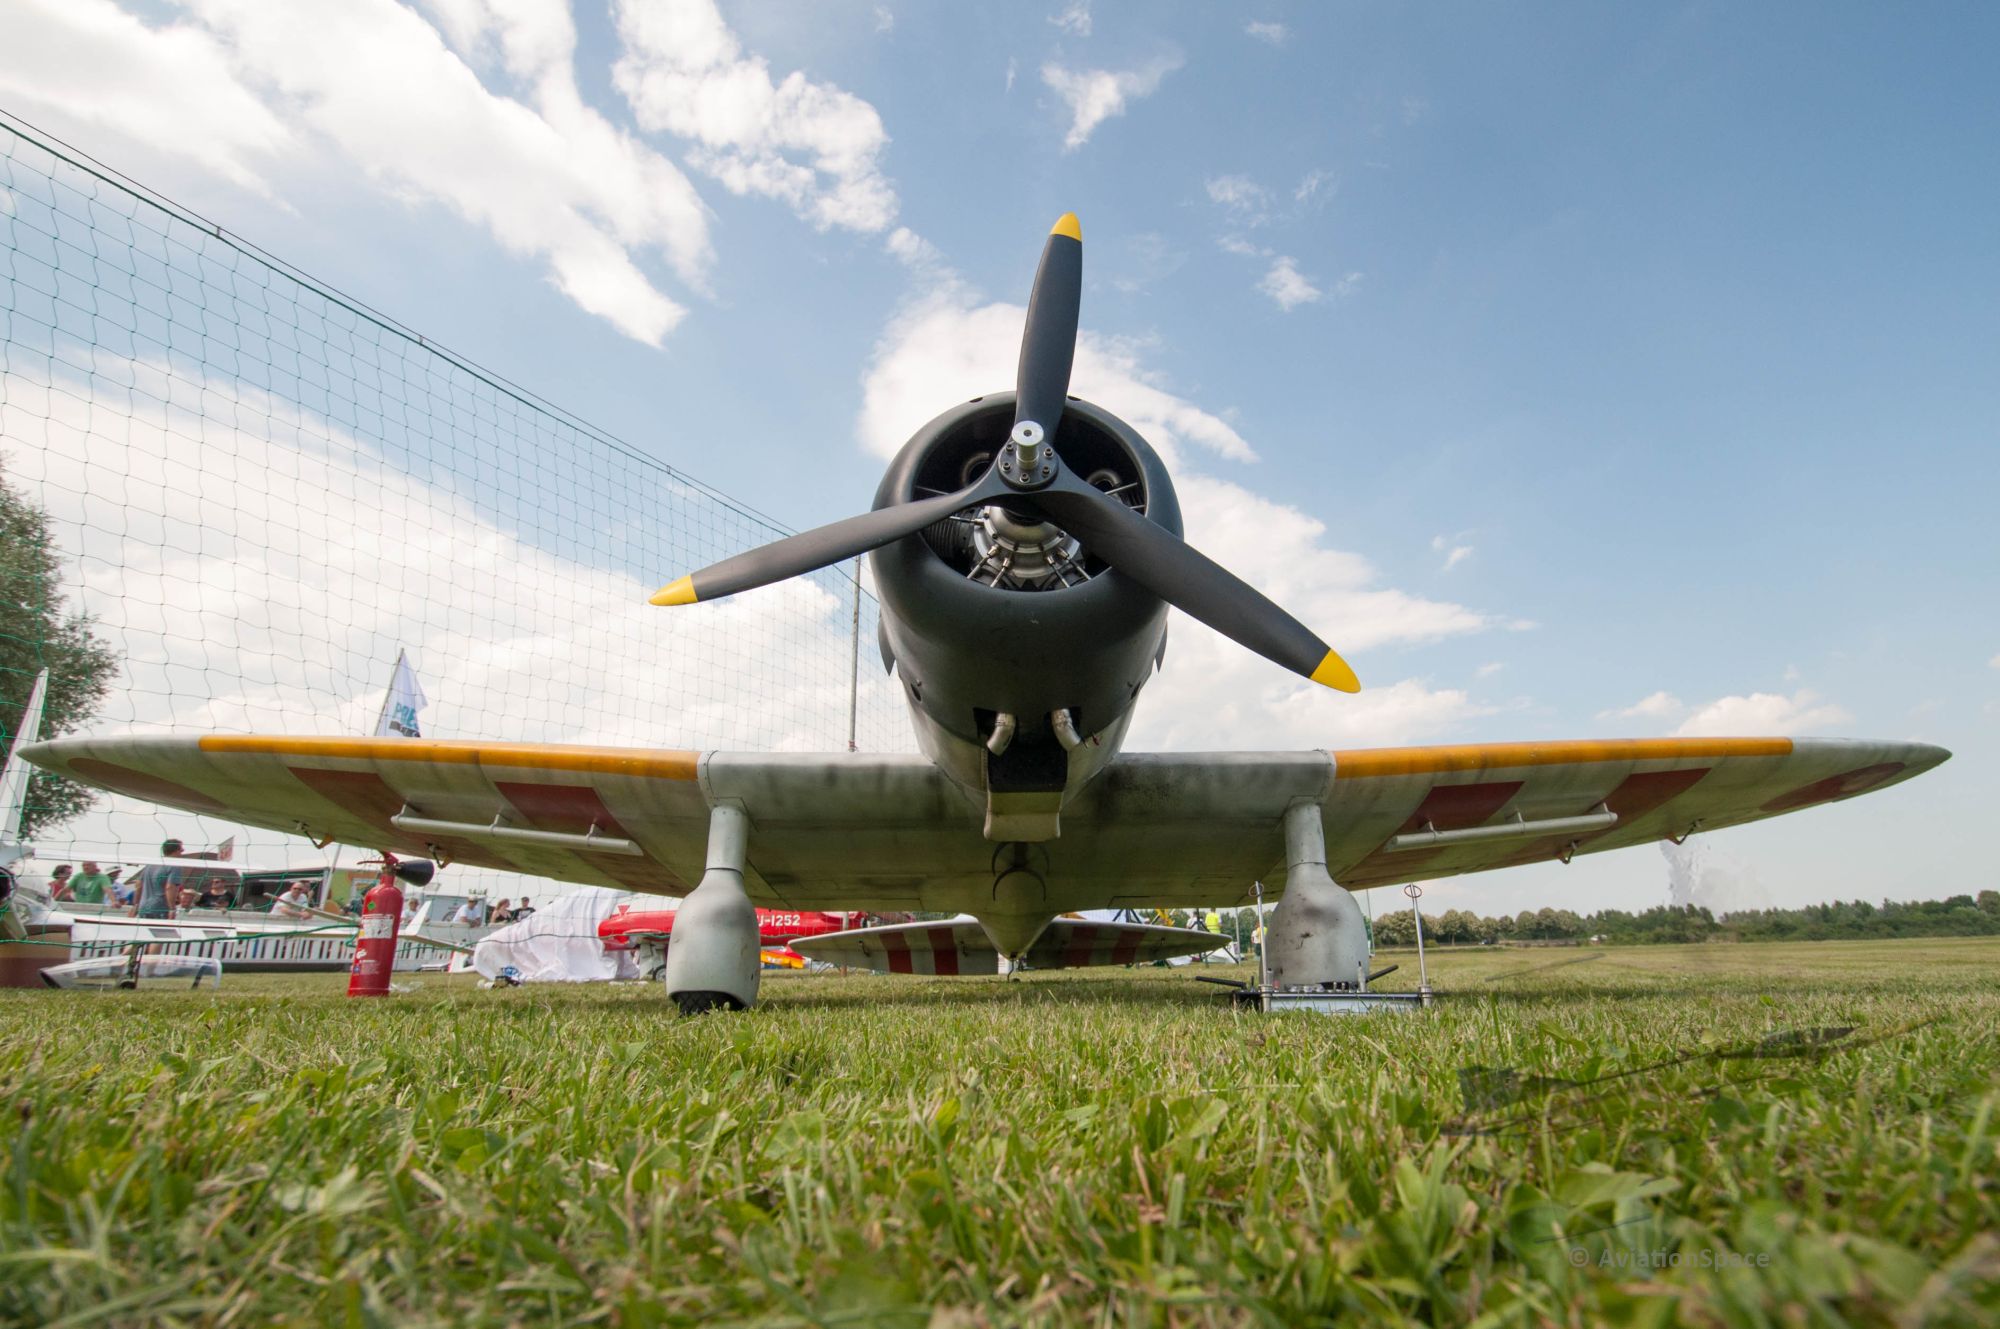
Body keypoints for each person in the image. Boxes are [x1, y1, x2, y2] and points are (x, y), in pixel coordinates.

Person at [132, 839, 185, 919]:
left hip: (143, 907)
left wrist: (135, 905)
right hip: (160, 908)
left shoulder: (151, 864)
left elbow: (139, 885)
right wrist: (172, 909)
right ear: (176, 851)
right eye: (181, 849)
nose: (183, 852)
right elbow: (170, 887)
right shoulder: (174, 865)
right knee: (164, 931)